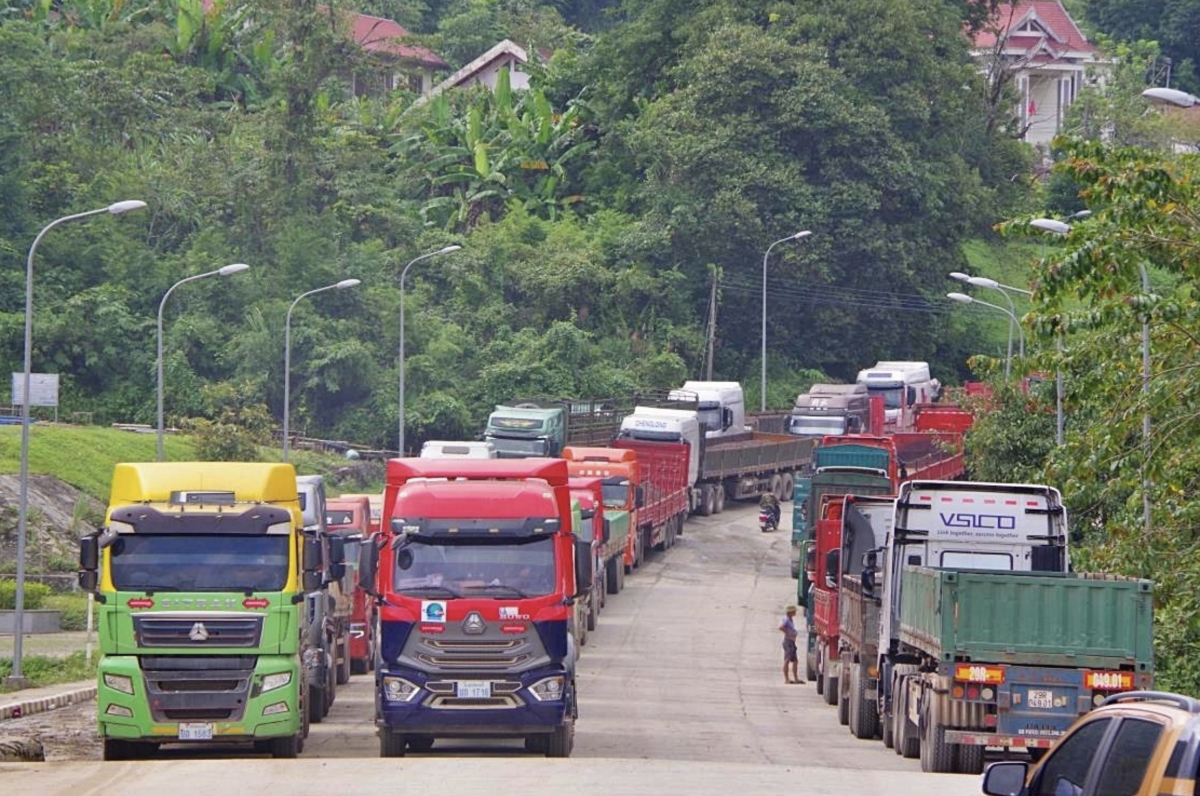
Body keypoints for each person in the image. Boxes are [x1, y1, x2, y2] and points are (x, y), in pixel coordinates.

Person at [779, 605, 804, 684]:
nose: (795, 613)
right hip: (788, 642)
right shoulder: (786, 620)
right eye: (794, 611)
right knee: (787, 660)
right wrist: (788, 634)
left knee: (795, 661)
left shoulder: (790, 619)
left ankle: (796, 678)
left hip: (792, 642)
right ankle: (786, 679)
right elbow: (781, 627)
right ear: (790, 612)